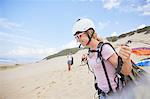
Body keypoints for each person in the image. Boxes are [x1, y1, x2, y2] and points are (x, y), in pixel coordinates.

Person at [72, 18, 132, 98]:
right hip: (102, 94)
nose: (77, 40)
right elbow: (98, 62)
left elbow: (126, 71)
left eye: (79, 36)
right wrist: (87, 57)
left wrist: (126, 60)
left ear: (89, 33)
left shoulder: (104, 48)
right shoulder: (91, 50)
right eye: (76, 37)